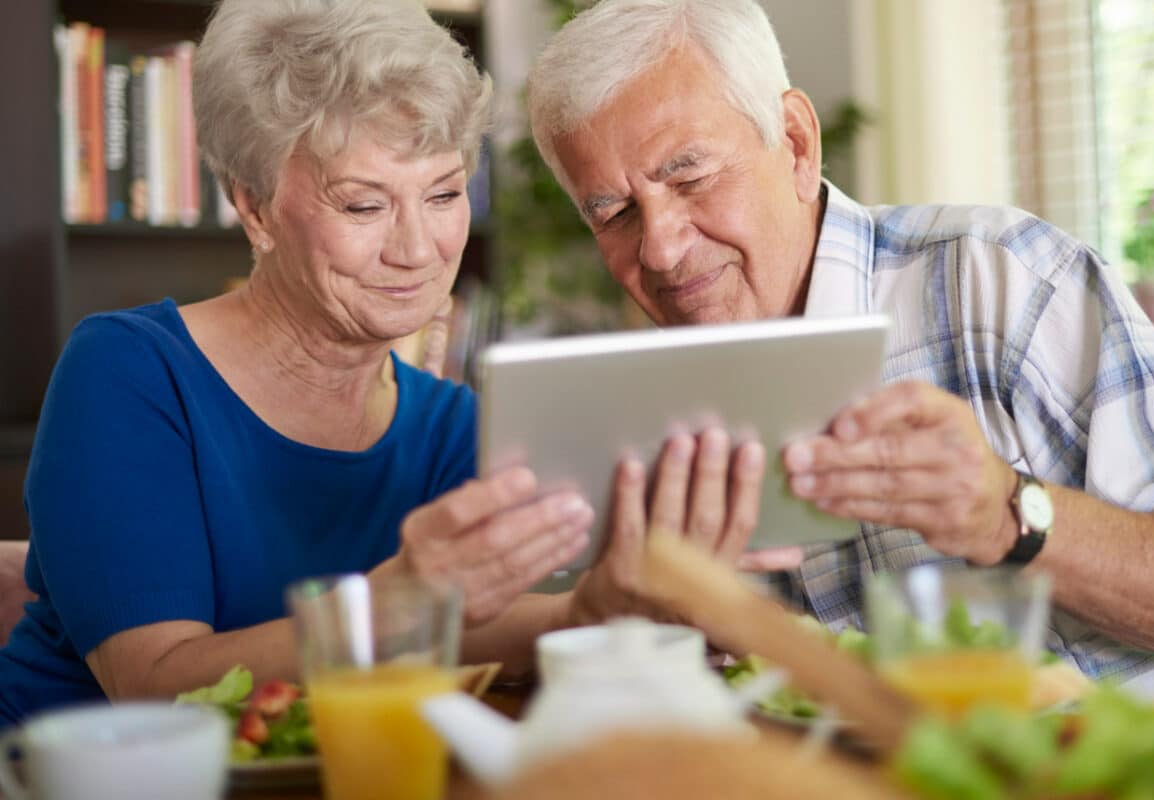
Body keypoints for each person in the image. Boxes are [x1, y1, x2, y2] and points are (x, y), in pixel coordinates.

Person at [0, 0, 782, 728]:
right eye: (364, 204)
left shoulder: (450, 424)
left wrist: (599, 607)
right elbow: (154, 683)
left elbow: (477, 627)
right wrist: (397, 599)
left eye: (443, 195)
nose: (417, 249)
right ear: (255, 208)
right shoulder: (132, 374)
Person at [526, 0, 1154, 711]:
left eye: (689, 175)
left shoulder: (1003, 279)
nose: (658, 249)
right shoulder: (643, 404)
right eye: (615, 212)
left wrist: (1009, 515)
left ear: (795, 143)